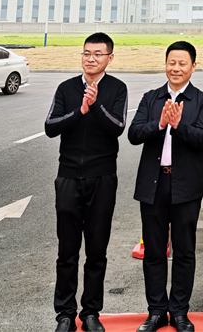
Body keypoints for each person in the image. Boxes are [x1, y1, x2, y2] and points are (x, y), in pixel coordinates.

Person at [129, 41, 203, 332]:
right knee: (154, 251)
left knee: (184, 251)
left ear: (193, 66)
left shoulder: (202, 100)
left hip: (186, 186)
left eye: (182, 63)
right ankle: (156, 312)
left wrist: (178, 126)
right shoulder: (151, 98)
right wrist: (159, 123)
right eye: (171, 62)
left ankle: (179, 312)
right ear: (165, 64)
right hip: (153, 184)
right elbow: (134, 134)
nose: (176, 68)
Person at [45, 32, 128, 332]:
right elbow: (50, 126)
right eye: (86, 53)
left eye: (97, 54)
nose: (90, 59)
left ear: (110, 58)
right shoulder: (66, 88)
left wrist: (94, 105)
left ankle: (91, 312)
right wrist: (79, 111)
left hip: (102, 178)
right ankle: (65, 314)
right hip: (68, 176)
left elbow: (117, 127)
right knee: (67, 251)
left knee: (96, 250)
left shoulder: (117, 88)